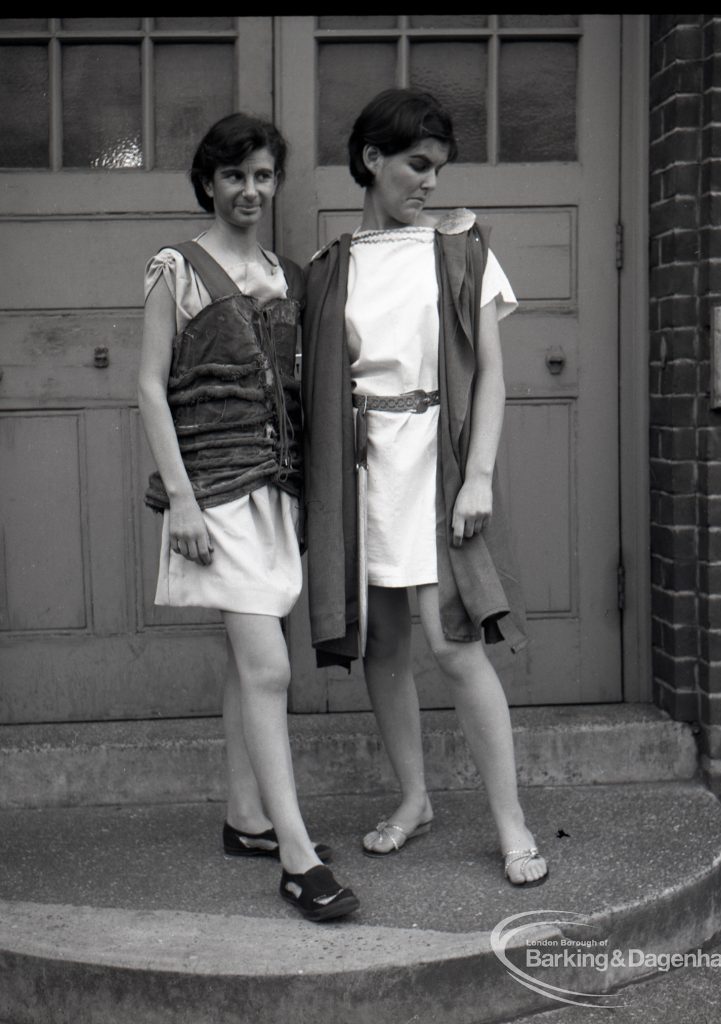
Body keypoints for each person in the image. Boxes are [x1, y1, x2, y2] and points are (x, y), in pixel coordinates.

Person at [302, 89, 548, 887]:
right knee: (383, 642)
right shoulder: (330, 267)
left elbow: (493, 381)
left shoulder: (463, 252)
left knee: (454, 641)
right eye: (416, 165)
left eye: (438, 168)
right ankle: (414, 799)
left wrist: (477, 475)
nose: (431, 183)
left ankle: (510, 823)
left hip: (436, 463)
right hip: (364, 468)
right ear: (370, 161)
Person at [137, 113, 359, 921]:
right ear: (208, 181)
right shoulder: (177, 267)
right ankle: (296, 858)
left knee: (245, 666)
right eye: (234, 176)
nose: (250, 190)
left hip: (277, 494)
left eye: (263, 176)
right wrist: (183, 498)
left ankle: (246, 819)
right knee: (268, 669)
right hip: (216, 496)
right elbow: (148, 385)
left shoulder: (286, 274)